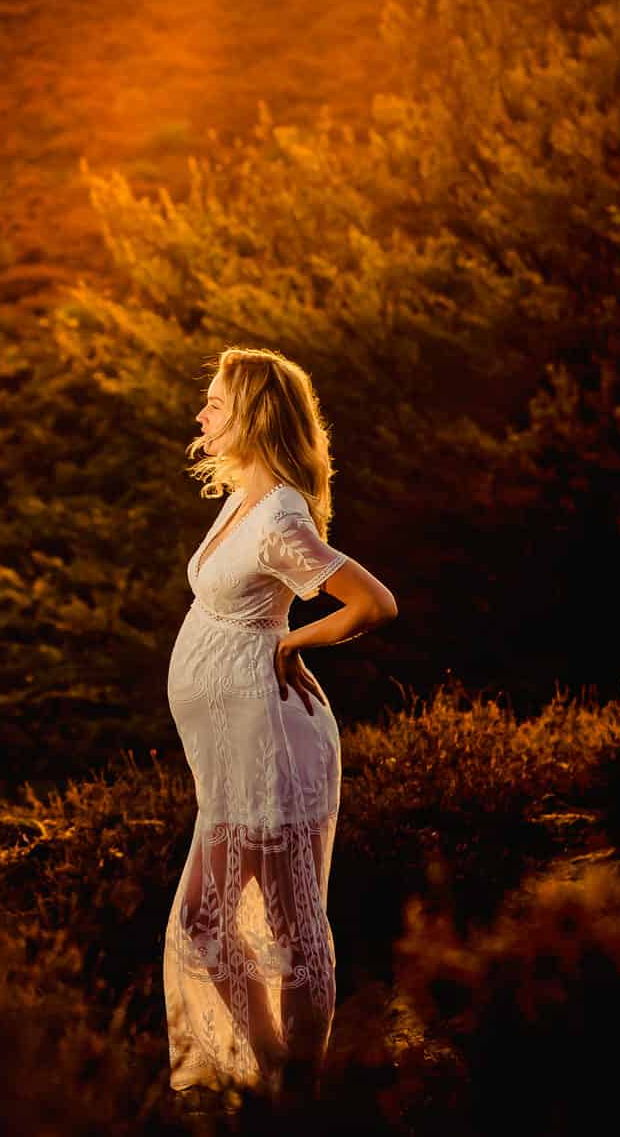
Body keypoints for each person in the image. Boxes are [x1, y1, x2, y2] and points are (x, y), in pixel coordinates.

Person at [162, 347, 399, 1106]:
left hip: (268, 745)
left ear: (256, 416)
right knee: (220, 920)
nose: (203, 414)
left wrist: (293, 640)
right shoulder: (245, 499)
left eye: (216, 403)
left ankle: (294, 1085)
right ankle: (279, 1075)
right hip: (230, 752)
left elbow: (371, 602)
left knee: (283, 922)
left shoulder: (282, 517)